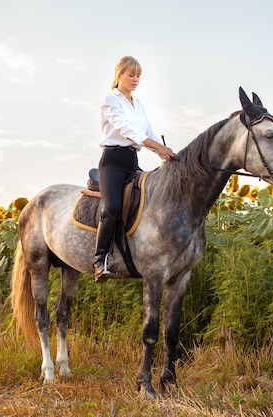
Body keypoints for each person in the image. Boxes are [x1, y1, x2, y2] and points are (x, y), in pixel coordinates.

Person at [94, 56, 175, 283]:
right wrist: (158, 146)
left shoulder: (138, 105)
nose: (135, 79)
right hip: (113, 161)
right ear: (119, 75)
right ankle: (100, 260)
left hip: (132, 161)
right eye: (131, 74)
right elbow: (128, 130)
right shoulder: (111, 99)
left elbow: (147, 132)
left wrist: (166, 154)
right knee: (113, 206)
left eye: (138, 75)